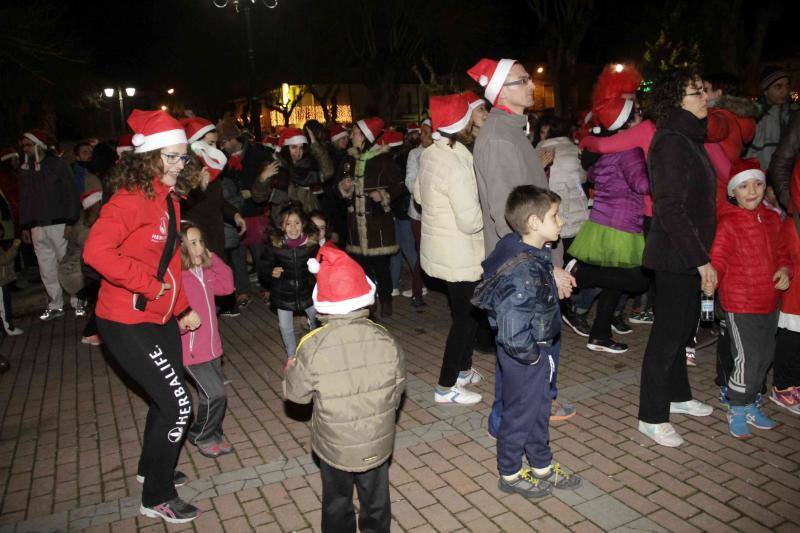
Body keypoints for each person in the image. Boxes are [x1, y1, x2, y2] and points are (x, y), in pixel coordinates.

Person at [83, 109, 203, 523]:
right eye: (169, 157)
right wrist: (149, 287)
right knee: (179, 404)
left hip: (159, 317)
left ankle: (149, 468)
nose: (178, 165)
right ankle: (157, 495)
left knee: (163, 400)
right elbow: (95, 253)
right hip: (125, 319)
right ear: (148, 157)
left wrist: (182, 306)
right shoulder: (131, 200)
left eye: (182, 157)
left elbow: (172, 264)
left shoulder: (167, 199)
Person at [469, 57, 576, 426]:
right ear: (501, 91)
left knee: (535, 347)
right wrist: (548, 267)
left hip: (530, 262)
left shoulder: (512, 130)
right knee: (518, 355)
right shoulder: (499, 137)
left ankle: (536, 406)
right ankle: (508, 430)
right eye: (523, 80)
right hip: (520, 269)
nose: (532, 85)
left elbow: (529, 202)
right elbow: (508, 218)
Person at [284, 244, 405, 533]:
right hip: (377, 440)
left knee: (337, 501)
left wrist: (291, 370)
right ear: (365, 296)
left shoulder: (312, 345)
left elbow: (296, 395)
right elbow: (399, 388)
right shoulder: (385, 339)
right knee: (376, 500)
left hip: (334, 446)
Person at [473, 185, 582, 498]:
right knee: (520, 415)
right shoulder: (523, 269)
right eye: (555, 215)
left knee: (537, 410)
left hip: (536, 349)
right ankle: (509, 472)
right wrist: (533, 356)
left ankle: (541, 464)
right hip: (526, 354)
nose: (561, 222)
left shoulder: (532, 253)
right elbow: (512, 326)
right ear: (534, 223)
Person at [637, 67, 717, 447]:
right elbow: (669, 207)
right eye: (696, 92)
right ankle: (651, 415)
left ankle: (678, 396)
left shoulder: (689, 137)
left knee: (684, 327)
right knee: (668, 333)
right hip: (675, 254)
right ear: (675, 101)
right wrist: (700, 260)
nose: (706, 97)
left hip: (689, 251)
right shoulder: (672, 140)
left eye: (703, 90)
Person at [710, 159, 791, 437]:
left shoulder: (771, 219)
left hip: (769, 301)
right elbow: (718, 258)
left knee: (764, 356)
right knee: (747, 357)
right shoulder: (729, 223)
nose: (752, 191)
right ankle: (737, 405)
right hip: (739, 303)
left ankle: (752, 402)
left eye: (757, 183)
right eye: (744, 186)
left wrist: (784, 269)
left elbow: (782, 252)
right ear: (733, 192)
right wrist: (710, 278)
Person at [414, 94, 485, 405]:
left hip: (442, 249)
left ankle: (464, 370)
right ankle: (445, 386)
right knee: (465, 319)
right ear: (460, 125)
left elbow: (417, 193)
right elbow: (470, 221)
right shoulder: (455, 163)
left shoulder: (431, 153)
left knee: (463, 312)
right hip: (460, 253)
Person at [567, 95, 650, 354]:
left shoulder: (606, 151)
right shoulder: (629, 151)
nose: (641, 120)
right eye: (636, 115)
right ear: (626, 124)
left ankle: (599, 335)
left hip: (603, 222)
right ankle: (578, 274)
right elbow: (641, 185)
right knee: (638, 280)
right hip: (622, 224)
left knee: (615, 282)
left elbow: (592, 176)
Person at [338, 117, 405, 318]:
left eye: (356, 133)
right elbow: (337, 189)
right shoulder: (349, 159)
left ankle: (386, 300)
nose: (352, 136)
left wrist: (383, 194)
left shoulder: (383, 160)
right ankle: (369, 302)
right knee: (362, 269)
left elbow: (399, 186)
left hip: (377, 226)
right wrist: (344, 188)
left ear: (366, 137)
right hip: (356, 227)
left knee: (381, 267)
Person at [179, 222, 236, 457]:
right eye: (193, 243)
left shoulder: (206, 272)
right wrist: (182, 325)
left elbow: (228, 286)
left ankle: (214, 435)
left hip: (212, 348)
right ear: (181, 248)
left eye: (201, 241)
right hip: (192, 353)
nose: (200, 247)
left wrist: (215, 260)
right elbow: (169, 313)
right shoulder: (179, 278)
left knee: (209, 395)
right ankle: (200, 434)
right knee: (216, 394)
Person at [18, 129, 81, 320]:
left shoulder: (57, 164)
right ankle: (55, 304)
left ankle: (78, 301)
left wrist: (70, 220)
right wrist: (25, 225)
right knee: (46, 267)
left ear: (38, 145)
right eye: (23, 146)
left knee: (67, 264)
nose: (25, 149)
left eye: (28, 145)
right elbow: (24, 199)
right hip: (37, 226)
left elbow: (70, 192)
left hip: (59, 223)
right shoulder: (25, 169)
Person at [260, 205, 320, 367]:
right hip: (283, 291)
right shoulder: (275, 247)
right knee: (285, 326)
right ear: (281, 226)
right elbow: (263, 267)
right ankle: (292, 356)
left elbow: (322, 265)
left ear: (304, 224)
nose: (293, 228)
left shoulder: (312, 245)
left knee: (317, 319)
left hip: (307, 290)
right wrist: (272, 272)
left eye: (297, 223)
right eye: (288, 224)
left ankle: (318, 350)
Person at [772, 169, 800, 414]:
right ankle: (782, 386)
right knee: (791, 340)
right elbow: (788, 256)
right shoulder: (792, 223)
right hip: (795, 295)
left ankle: (795, 382)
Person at [58, 189, 102, 340]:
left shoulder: (92, 221)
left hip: (81, 269)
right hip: (74, 272)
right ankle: (90, 333)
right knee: (106, 293)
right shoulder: (84, 227)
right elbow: (96, 248)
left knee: (105, 295)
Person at [403, 119, 433, 305]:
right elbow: (410, 181)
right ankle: (417, 292)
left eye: (426, 133)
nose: (422, 136)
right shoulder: (415, 154)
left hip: (441, 214)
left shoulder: (445, 152)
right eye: (421, 132)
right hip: (420, 214)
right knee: (422, 252)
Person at [745, 67, 794, 171]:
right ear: (765, 91)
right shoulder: (754, 116)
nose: (785, 91)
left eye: (787, 85)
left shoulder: (793, 113)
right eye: (778, 87)